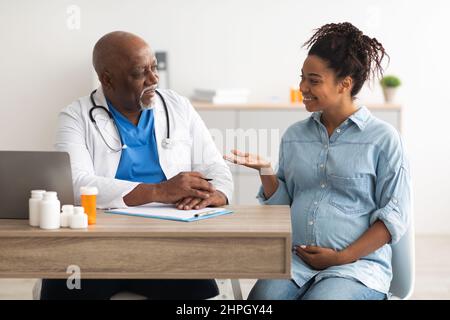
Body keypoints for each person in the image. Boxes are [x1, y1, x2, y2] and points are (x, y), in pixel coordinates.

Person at [41, 31, 233, 300]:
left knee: (201, 295)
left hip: (167, 246)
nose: (154, 79)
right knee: (63, 290)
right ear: (107, 79)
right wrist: (158, 191)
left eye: (154, 68)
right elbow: (75, 184)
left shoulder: (178, 107)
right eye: (139, 73)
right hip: (96, 247)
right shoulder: (76, 116)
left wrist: (217, 193)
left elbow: (216, 169)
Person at [225, 22, 411, 300]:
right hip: (296, 264)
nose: (302, 87)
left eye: (313, 80)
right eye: (302, 78)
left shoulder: (383, 139)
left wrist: (340, 257)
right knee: (262, 300)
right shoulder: (295, 136)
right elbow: (284, 208)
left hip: (357, 267)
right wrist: (266, 172)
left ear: (344, 84)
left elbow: (394, 217)